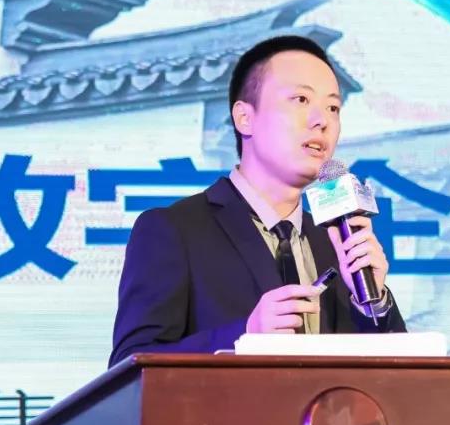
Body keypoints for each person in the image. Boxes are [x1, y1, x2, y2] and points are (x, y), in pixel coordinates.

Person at [109, 35, 405, 367]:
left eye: (333, 108)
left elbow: (397, 376)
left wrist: (373, 302)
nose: (322, 120)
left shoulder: (336, 242)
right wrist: (245, 336)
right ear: (244, 118)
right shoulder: (174, 230)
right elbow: (129, 364)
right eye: (301, 99)